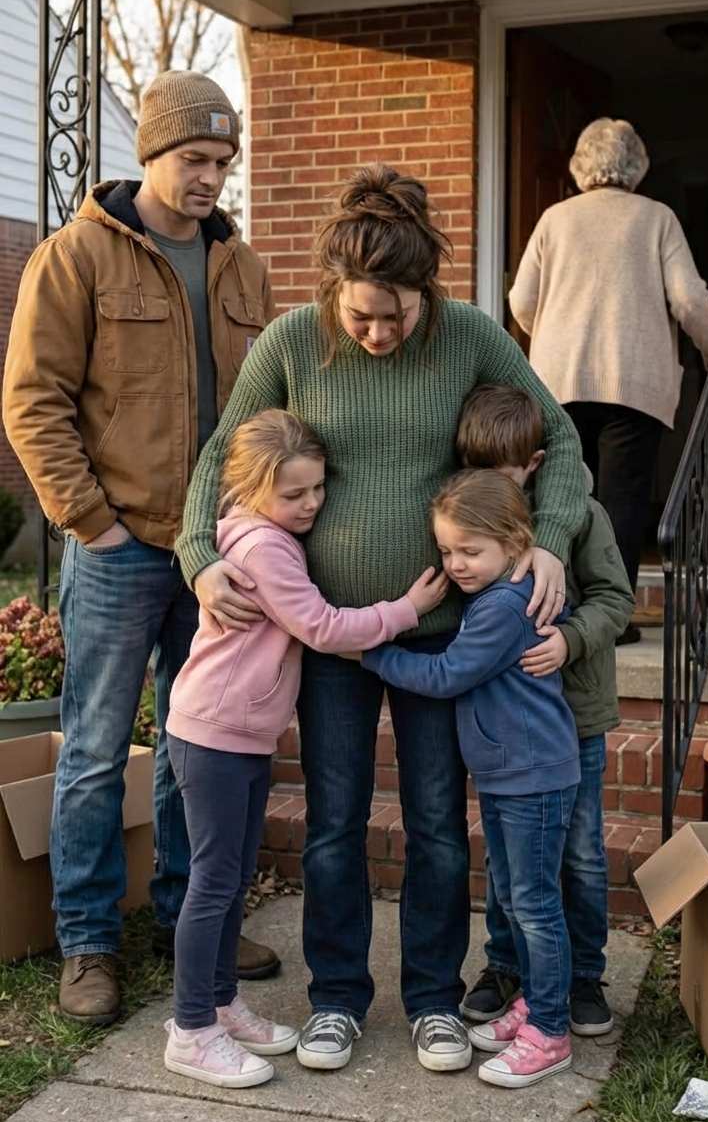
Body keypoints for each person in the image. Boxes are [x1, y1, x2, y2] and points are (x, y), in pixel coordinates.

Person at [175, 162, 588, 1074]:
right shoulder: (291, 341)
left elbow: (558, 438)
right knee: (333, 821)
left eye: (395, 313)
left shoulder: (470, 334)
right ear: (334, 287)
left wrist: (549, 539)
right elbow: (219, 458)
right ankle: (337, 1000)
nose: (377, 330)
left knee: (439, 823)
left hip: (442, 639)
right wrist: (202, 561)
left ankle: (435, 1001)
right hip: (332, 642)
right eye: (361, 313)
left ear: (426, 290)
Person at [2, 71, 280, 1026]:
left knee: (188, 746)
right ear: (150, 157)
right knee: (92, 749)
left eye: (221, 160)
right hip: (119, 548)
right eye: (193, 159)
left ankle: (182, 918)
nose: (209, 177)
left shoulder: (243, 268)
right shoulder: (75, 257)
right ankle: (88, 943)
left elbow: (265, 412)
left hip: (217, 552)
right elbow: (33, 403)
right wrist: (95, 524)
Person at [163, 407, 446, 1087]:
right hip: (215, 734)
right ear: (253, 487)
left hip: (239, 733)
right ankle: (191, 1028)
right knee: (213, 883)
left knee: (230, 880)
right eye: (295, 493)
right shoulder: (262, 548)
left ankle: (223, 1001)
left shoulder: (268, 535)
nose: (312, 503)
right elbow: (320, 627)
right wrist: (406, 610)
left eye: (318, 488)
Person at [362, 469, 580, 1087]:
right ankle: (532, 1007)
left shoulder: (505, 606)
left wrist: (371, 652)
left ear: (515, 541)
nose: (455, 564)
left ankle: (550, 1030)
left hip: (533, 775)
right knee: (514, 896)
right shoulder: (496, 592)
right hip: (511, 774)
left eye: (469, 551)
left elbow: (447, 675)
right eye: (447, 550)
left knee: (535, 905)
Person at [454, 384, 634, 1038]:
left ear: (533, 464)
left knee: (581, 853)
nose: (488, 485)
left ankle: (582, 974)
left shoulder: (581, 515)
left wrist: (569, 639)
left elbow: (617, 599)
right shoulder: (473, 521)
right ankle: (507, 966)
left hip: (575, 716)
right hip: (509, 726)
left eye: (501, 474)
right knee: (509, 855)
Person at [509, 118, 708, 642]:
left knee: (563, 493)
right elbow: (689, 298)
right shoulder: (656, 217)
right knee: (621, 499)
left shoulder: (554, 219)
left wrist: (556, 334)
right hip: (633, 383)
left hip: (557, 381)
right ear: (638, 166)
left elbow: (520, 300)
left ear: (580, 164)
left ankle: (557, 608)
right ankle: (612, 618)